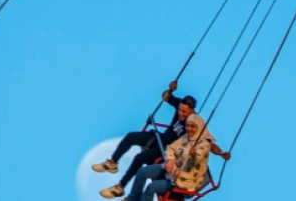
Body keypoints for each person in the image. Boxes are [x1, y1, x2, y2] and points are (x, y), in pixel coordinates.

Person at [93, 81, 230, 197]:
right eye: (179, 110)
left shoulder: (195, 123)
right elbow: (165, 97)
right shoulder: (180, 105)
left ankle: (120, 187)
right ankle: (112, 163)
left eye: (184, 112)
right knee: (131, 137)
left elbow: (209, 144)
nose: (180, 114)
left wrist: (222, 153)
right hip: (160, 137)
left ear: (192, 111)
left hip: (167, 150)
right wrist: (170, 90)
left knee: (140, 158)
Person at [112, 114, 212, 201]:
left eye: (193, 127)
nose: (189, 129)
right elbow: (170, 148)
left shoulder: (203, 146)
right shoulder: (185, 138)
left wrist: (192, 155)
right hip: (171, 169)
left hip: (181, 182)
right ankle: (132, 198)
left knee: (151, 187)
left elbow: (193, 164)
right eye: (188, 126)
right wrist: (171, 160)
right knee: (142, 172)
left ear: (199, 128)